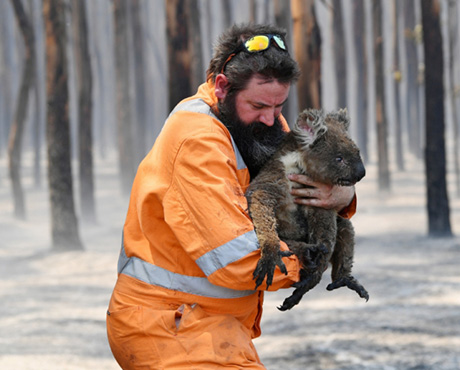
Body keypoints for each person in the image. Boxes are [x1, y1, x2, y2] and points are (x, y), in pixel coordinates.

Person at [106, 23, 356, 369]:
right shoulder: (197, 140)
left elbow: (307, 183)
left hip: (212, 325)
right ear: (223, 87)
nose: (271, 120)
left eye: (279, 106)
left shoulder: (257, 124)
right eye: (259, 105)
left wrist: (342, 195)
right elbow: (235, 259)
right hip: (169, 326)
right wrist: (311, 259)